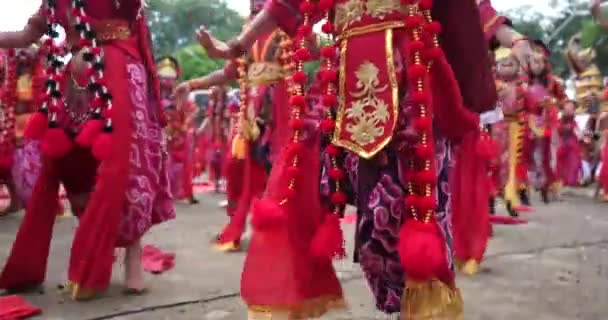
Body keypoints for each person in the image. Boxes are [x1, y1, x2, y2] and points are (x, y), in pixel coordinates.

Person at [197, 0, 534, 317]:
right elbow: (287, 3)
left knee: (420, 211)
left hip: (415, 87)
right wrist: (239, 45)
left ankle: (420, 308)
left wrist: (515, 40)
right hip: (351, 96)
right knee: (371, 221)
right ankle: (393, 300)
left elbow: (473, 9)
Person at [0, 0, 174, 300]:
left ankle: (132, 252)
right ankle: (96, 247)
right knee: (69, 163)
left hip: (120, 74)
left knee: (125, 169)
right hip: (77, 84)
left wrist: (92, 47)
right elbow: (28, 34)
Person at [174, 0, 304, 252]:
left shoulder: (285, 35)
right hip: (249, 117)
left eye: (261, 9)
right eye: (254, 10)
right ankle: (239, 225)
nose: (256, 13)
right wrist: (191, 85)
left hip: (278, 115)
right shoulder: (246, 44)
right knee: (238, 170)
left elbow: (300, 64)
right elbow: (225, 74)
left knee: (277, 173)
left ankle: (280, 232)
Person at [524, 43, 567, 203]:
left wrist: (552, 102)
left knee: (549, 156)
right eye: (533, 62)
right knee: (531, 155)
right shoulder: (524, 83)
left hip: (549, 124)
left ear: (545, 64)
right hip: (530, 123)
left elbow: (564, 100)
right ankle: (537, 183)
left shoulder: (553, 83)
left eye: (539, 62)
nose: (536, 66)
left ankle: (553, 186)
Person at [158, 56, 198, 204]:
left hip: (180, 133)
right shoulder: (153, 94)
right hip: (160, 134)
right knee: (163, 163)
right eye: (164, 77)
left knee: (182, 164)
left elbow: (191, 111)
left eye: (170, 77)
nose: (167, 81)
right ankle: (164, 192)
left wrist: (183, 127)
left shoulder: (181, 92)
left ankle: (181, 192)